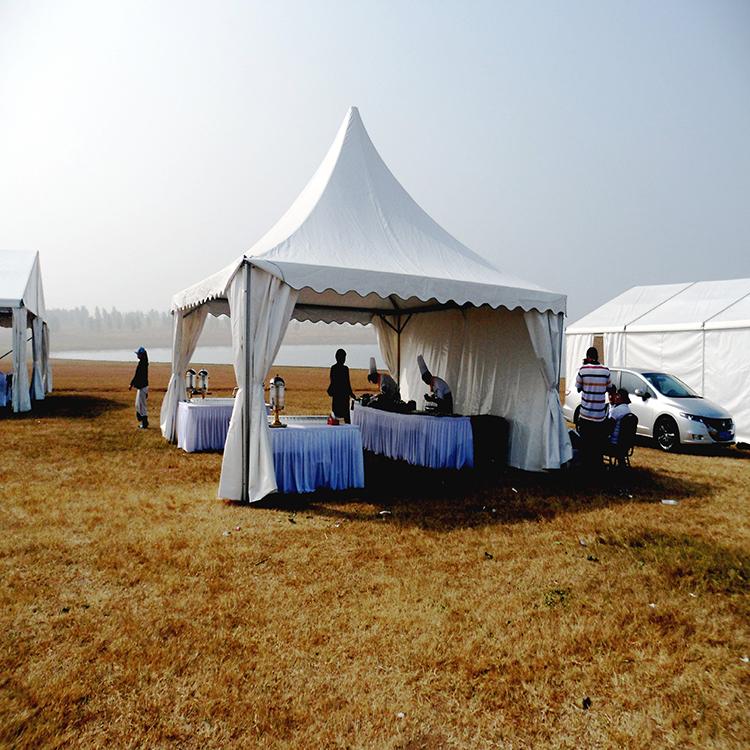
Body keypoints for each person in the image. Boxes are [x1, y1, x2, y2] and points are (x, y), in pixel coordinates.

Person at [575, 346, 611, 467]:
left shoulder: (583, 370)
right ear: (597, 356)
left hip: (585, 415)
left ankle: (585, 468)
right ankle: (596, 468)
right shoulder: (606, 371)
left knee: (585, 445)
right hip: (599, 416)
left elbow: (578, 388)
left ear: (587, 357)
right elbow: (609, 387)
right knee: (597, 446)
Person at [327, 348, 356, 423]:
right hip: (344, 397)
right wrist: (351, 394)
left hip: (337, 396)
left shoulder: (334, 368)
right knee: (346, 417)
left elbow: (333, 382)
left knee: (335, 417)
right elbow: (347, 383)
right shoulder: (345, 369)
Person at [129, 346, 149, 428]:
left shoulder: (142, 364)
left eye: (139, 354)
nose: (137, 355)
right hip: (141, 387)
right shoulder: (143, 363)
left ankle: (144, 423)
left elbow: (137, 375)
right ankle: (142, 420)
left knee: (141, 406)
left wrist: (132, 384)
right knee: (138, 405)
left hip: (142, 387)